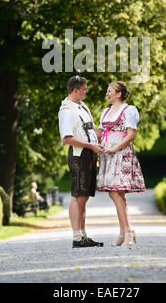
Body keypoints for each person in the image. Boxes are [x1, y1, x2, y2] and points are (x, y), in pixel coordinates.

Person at [97, 81, 146, 247]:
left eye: (110, 91)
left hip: (121, 153)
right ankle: (124, 231)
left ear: (118, 94)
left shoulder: (129, 110)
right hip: (107, 155)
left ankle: (128, 232)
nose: (107, 94)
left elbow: (131, 135)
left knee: (117, 192)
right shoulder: (105, 112)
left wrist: (114, 148)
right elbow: (100, 133)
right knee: (114, 193)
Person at [58, 75, 104, 248]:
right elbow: (68, 138)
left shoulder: (82, 107)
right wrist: (91, 146)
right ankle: (77, 237)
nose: (86, 91)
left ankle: (83, 235)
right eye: (84, 89)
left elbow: (89, 131)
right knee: (77, 195)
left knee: (84, 196)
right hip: (79, 155)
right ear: (75, 90)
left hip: (89, 153)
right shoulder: (67, 111)